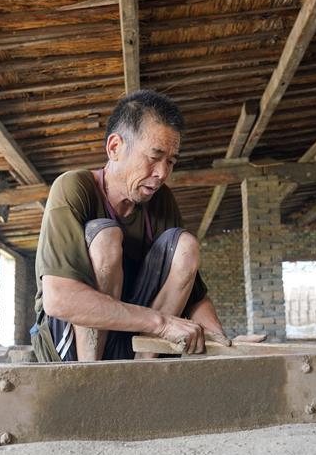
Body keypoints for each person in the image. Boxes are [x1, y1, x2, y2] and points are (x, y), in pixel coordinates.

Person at [31, 89, 229, 362]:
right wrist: (161, 323)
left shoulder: (161, 201)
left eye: (170, 161)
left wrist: (223, 341)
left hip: (134, 340)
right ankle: (92, 377)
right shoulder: (74, 188)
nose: (162, 173)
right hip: (72, 346)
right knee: (106, 236)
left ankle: (142, 374)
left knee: (185, 245)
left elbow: (193, 292)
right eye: (154, 156)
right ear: (114, 148)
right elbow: (59, 299)